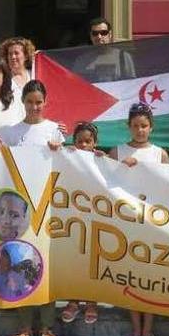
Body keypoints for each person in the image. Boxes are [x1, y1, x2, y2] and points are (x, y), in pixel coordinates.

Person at [0, 80, 63, 336]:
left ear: (45, 102)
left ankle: (46, 326)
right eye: (30, 101)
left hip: (46, 209)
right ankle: (24, 326)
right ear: (23, 102)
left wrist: (60, 150)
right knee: (19, 265)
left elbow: (66, 164)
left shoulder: (55, 130)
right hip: (18, 212)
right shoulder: (11, 132)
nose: (34, 106)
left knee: (45, 268)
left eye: (39, 102)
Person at [108, 103, 169, 336]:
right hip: (125, 223)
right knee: (131, 279)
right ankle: (135, 328)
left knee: (150, 279)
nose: (140, 130)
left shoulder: (160, 153)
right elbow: (105, 184)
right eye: (136, 126)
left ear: (151, 127)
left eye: (144, 126)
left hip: (151, 223)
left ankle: (148, 330)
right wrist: (119, 167)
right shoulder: (117, 151)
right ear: (128, 127)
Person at [60, 122, 103, 325]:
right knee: (74, 260)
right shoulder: (67, 158)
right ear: (74, 142)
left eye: (88, 141)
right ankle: (73, 301)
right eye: (80, 141)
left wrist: (107, 161)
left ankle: (92, 303)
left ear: (95, 143)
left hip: (96, 219)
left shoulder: (102, 161)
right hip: (73, 218)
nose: (84, 145)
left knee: (93, 261)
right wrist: (61, 153)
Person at [79, 17, 136, 82]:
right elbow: (77, 84)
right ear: (91, 36)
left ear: (110, 34)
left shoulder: (123, 57)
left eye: (103, 33)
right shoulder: (82, 60)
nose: (99, 37)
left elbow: (131, 84)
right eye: (95, 33)